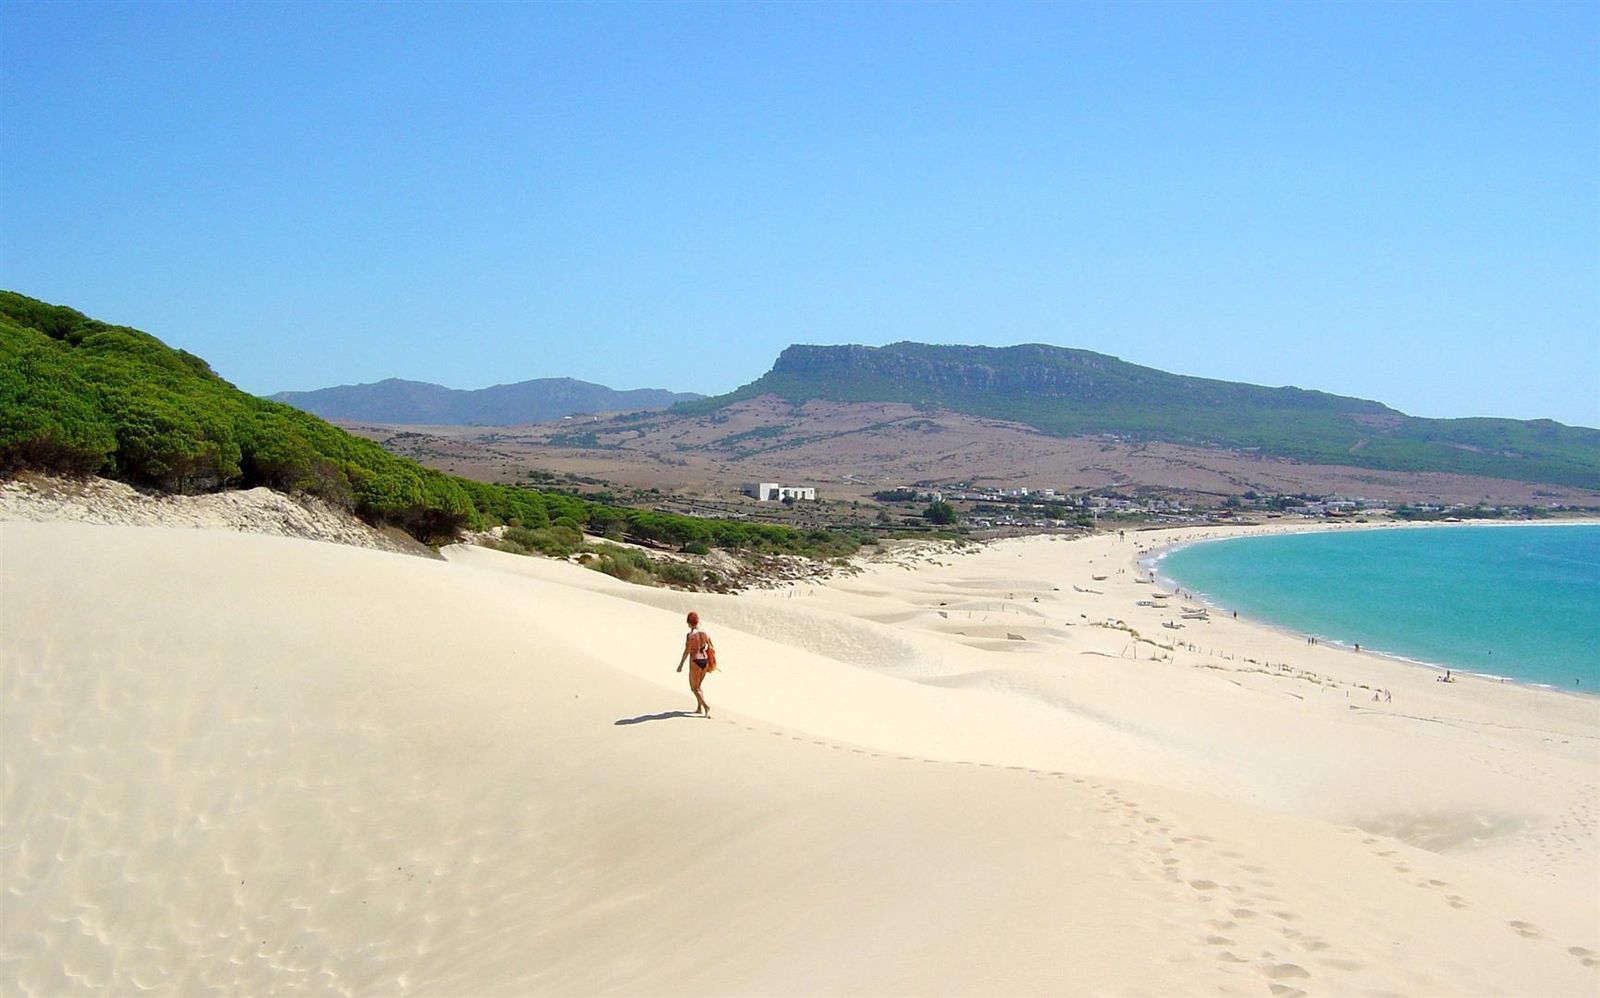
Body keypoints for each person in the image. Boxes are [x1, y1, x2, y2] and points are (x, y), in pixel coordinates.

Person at [676, 611, 714, 717]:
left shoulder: (690, 635)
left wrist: (681, 664)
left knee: (694, 688)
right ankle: (699, 708)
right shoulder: (705, 632)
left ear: (689, 622)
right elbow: (710, 646)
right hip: (705, 660)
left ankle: (706, 706)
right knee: (698, 687)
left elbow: (687, 650)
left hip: (695, 661)